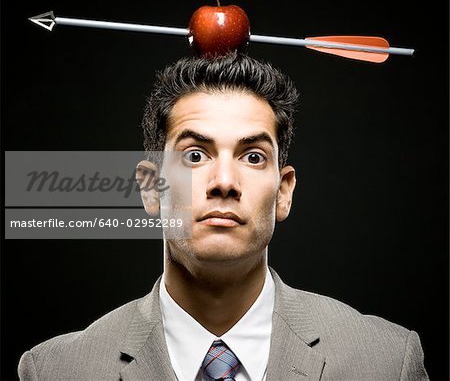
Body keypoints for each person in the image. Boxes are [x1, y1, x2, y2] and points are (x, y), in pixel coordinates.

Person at [18, 53, 428, 380]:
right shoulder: (54, 370)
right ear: (150, 188)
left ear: (283, 192)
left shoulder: (388, 362)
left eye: (253, 156)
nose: (224, 182)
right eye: (195, 155)